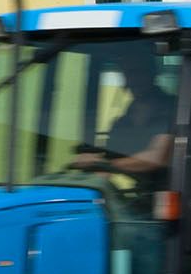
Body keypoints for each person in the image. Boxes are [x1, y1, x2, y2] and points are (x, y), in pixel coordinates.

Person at [70, 47, 177, 180]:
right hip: (144, 195)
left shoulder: (175, 109)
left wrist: (103, 164)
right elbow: (109, 161)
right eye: (128, 73)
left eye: (138, 72)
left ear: (152, 73)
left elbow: (157, 157)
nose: (133, 80)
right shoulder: (124, 121)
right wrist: (89, 165)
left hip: (182, 194)